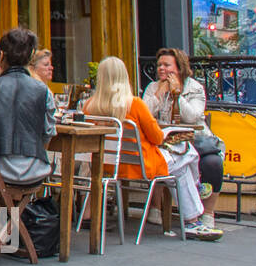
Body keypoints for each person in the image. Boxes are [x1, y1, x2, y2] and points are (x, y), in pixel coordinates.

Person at [82, 57, 216, 239]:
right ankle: (193, 216)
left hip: (108, 166)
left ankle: (193, 214)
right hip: (142, 165)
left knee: (181, 163)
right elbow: (157, 137)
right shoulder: (134, 104)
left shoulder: (89, 106)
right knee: (185, 155)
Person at [142, 47, 223, 236]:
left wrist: (178, 96)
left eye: (167, 65)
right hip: (165, 141)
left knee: (213, 163)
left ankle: (207, 213)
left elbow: (193, 117)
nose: (161, 69)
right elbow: (144, 114)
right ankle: (190, 218)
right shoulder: (154, 87)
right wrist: (159, 94)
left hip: (194, 138)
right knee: (178, 160)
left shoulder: (193, 87)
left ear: (179, 68)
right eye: (159, 65)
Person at [0, 28, 56, 185]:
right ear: (31, 57)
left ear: (1, 55)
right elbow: (48, 132)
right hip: (36, 171)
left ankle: (0, 209)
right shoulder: (44, 91)